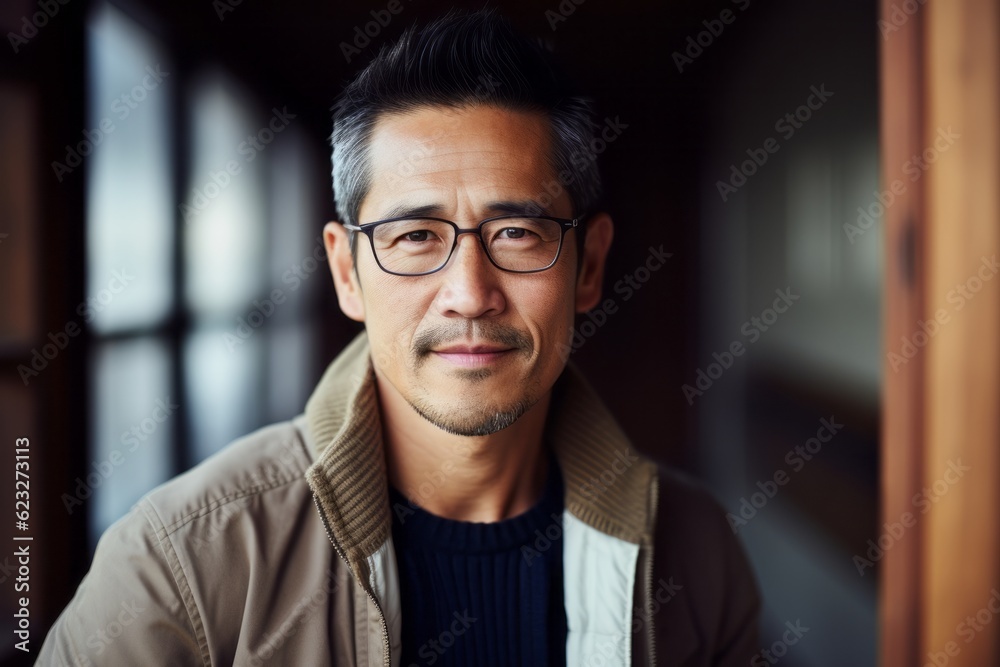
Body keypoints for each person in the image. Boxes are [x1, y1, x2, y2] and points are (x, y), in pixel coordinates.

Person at [38, 9, 759, 666]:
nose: (471, 293)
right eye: (415, 235)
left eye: (515, 232)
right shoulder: (181, 562)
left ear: (589, 266)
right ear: (347, 271)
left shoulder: (696, 552)